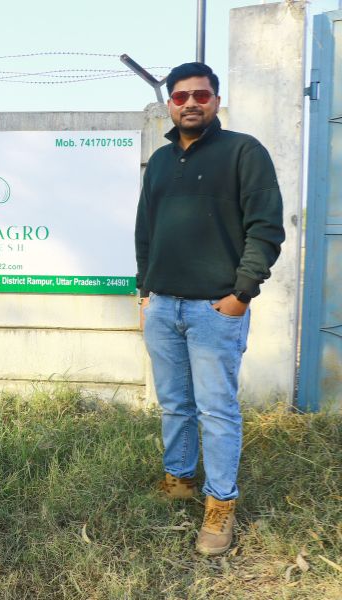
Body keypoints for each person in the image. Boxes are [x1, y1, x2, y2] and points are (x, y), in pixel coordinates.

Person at [135, 62, 284, 556]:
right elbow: (145, 230)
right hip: (163, 307)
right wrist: (145, 292)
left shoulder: (244, 152)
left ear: (216, 101)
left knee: (216, 410)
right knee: (174, 403)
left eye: (201, 95)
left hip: (215, 310)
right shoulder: (160, 161)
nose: (191, 104)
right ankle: (178, 478)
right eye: (181, 97)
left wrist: (241, 295)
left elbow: (266, 228)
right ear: (170, 105)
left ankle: (220, 504)